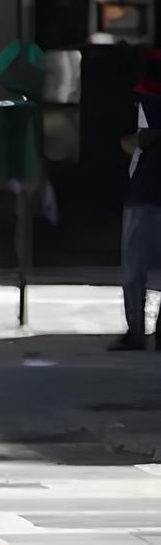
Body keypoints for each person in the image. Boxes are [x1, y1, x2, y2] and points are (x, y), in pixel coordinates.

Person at [113, 52, 161, 350]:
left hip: (143, 194)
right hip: (145, 193)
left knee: (134, 268)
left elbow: (143, 138)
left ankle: (135, 333)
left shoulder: (148, 100)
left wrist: (130, 143)